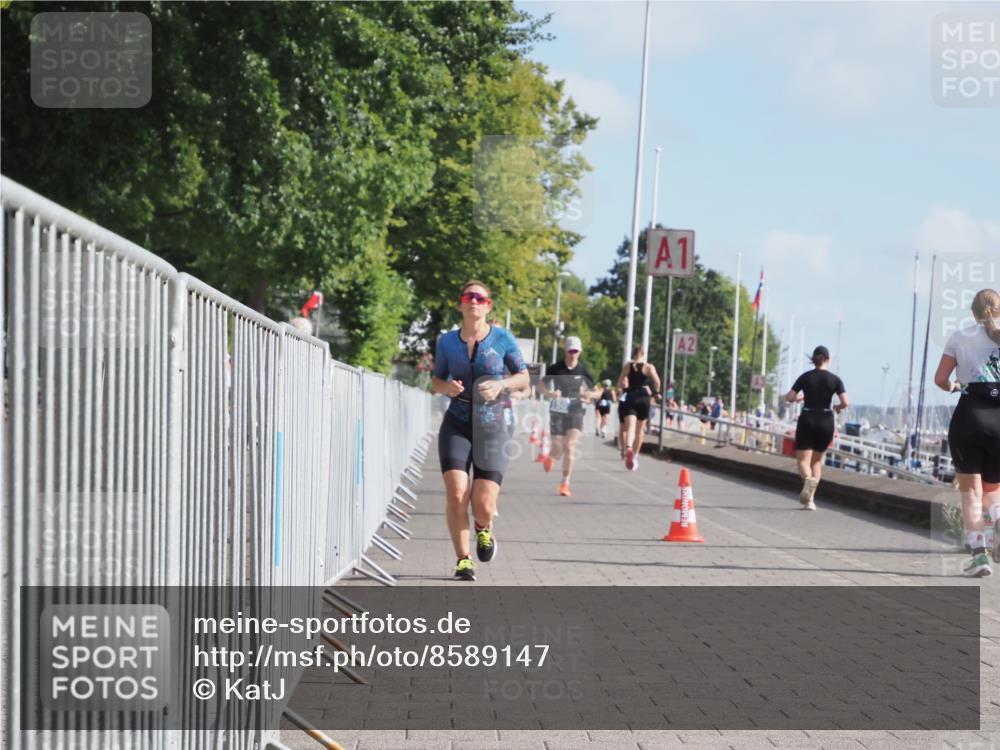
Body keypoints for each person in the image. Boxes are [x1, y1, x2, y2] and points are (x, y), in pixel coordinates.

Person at [431, 280, 529, 581]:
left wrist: (501, 384)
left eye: (480, 297)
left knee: (483, 504)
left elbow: (523, 377)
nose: (473, 301)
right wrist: (447, 387)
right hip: (457, 424)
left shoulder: (503, 339)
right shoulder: (447, 342)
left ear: (488, 305)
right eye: (468, 296)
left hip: (492, 426)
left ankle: (484, 528)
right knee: (457, 493)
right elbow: (436, 380)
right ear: (461, 304)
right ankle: (463, 560)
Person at [933, 288, 1000, 578]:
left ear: (974, 312)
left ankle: (979, 555)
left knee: (971, 492)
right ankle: (997, 515)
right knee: (993, 490)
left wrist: (954, 387)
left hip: (970, 416)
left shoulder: (959, 336)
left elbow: (941, 379)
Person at [784, 346, 848, 510]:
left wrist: (798, 398)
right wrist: (838, 407)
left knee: (803, 460)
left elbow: (790, 397)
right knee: (817, 461)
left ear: (813, 359)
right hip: (826, 421)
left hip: (808, 418)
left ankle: (807, 481)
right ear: (828, 359)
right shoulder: (835, 379)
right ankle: (811, 500)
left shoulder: (805, 377)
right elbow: (845, 402)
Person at [540, 336, 597, 496]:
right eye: (571, 351)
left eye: (576, 351)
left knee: (570, 446)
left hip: (575, 409)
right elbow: (540, 386)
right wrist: (549, 393)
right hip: (558, 409)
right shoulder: (555, 368)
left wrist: (588, 394)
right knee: (558, 447)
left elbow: (597, 391)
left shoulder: (583, 370)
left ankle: (565, 483)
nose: (573, 354)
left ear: (580, 352)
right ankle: (551, 457)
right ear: (565, 351)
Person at [616, 346, 662, 472]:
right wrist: (657, 392)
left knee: (630, 427)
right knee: (640, 430)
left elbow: (619, 383)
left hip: (630, 396)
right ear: (643, 354)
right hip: (643, 397)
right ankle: (635, 457)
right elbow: (657, 381)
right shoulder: (649, 367)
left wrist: (619, 391)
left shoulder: (628, 366)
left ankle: (628, 447)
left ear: (633, 353)